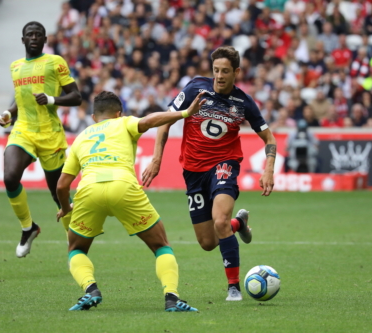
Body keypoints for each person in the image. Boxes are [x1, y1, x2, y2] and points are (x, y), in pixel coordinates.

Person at [142, 46, 276, 301]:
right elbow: (166, 121)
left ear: (236, 72)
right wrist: (157, 158)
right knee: (207, 242)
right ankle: (239, 224)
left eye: (225, 71)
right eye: (216, 70)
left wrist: (268, 169)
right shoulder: (195, 89)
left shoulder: (243, 102)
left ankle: (234, 287)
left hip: (224, 164)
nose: (220, 76)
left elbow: (269, 137)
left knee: (220, 220)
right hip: (193, 171)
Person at [56, 90, 205, 312]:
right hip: (123, 187)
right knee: (161, 245)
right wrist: (185, 113)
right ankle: (172, 299)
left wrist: (67, 207)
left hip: (89, 192)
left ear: (94, 116)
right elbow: (148, 121)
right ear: (118, 113)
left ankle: (90, 290)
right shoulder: (123, 123)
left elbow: (61, 186)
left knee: (76, 249)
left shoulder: (81, 137)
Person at [0, 22, 82, 258]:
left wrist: (52, 100)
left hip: (49, 134)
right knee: (10, 177)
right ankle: (28, 228)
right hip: (23, 129)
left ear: (44, 40)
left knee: (58, 193)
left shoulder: (55, 62)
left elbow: (76, 97)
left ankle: (74, 242)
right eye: (29, 35)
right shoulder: (15, 67)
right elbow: (21, 100)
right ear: (22, 40)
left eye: (38, 35)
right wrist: (8, 114)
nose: (34, 38)